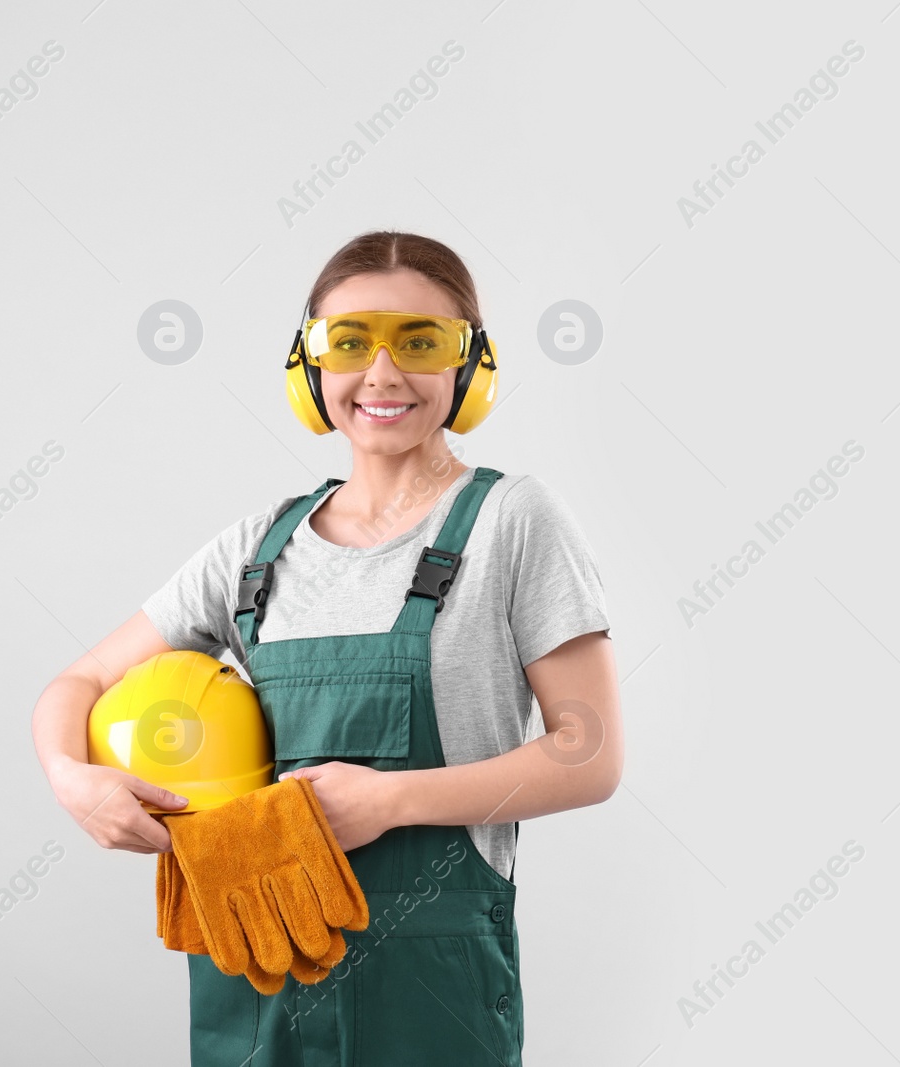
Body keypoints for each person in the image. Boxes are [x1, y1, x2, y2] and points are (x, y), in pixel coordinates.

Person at [31, 230, 623, 1065]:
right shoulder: (256, 550)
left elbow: (590, 755)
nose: (382, 374)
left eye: (420, 342)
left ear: (472, 367)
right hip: (262, 975)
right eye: (348, 342)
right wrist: (72, 778)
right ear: (309, 368)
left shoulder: (514, 521)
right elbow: (81, 680)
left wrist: (389, 801)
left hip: (434, 993)